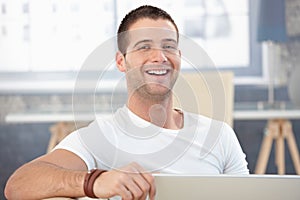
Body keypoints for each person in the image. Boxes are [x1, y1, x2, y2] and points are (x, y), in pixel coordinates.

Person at [5, 5, 249, 200]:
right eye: (144, 47)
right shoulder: (100, 137)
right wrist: (95, 181)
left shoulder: (219, 136)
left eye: (169, 47)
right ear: (121, 62)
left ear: (179, 58)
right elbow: (19, 185)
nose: (160, 56)